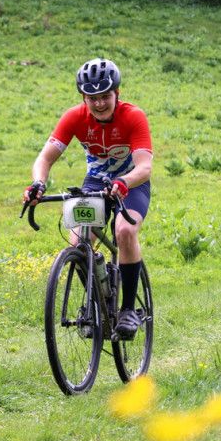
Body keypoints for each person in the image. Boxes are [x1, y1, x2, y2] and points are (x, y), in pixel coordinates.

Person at [23, 58, 153, 337]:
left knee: (124, 231)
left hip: (130, 182)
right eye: (92, 98)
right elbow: (45, 158)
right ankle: (98, 306)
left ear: (117, 93)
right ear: (83, 97)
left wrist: (124, 181)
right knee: (79, 244)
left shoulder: (133, 116)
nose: (100, 104)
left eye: (105, 96)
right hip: (95, 182)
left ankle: (128, 311)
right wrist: (38, 183)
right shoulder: (74, 117)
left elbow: (145, 167)